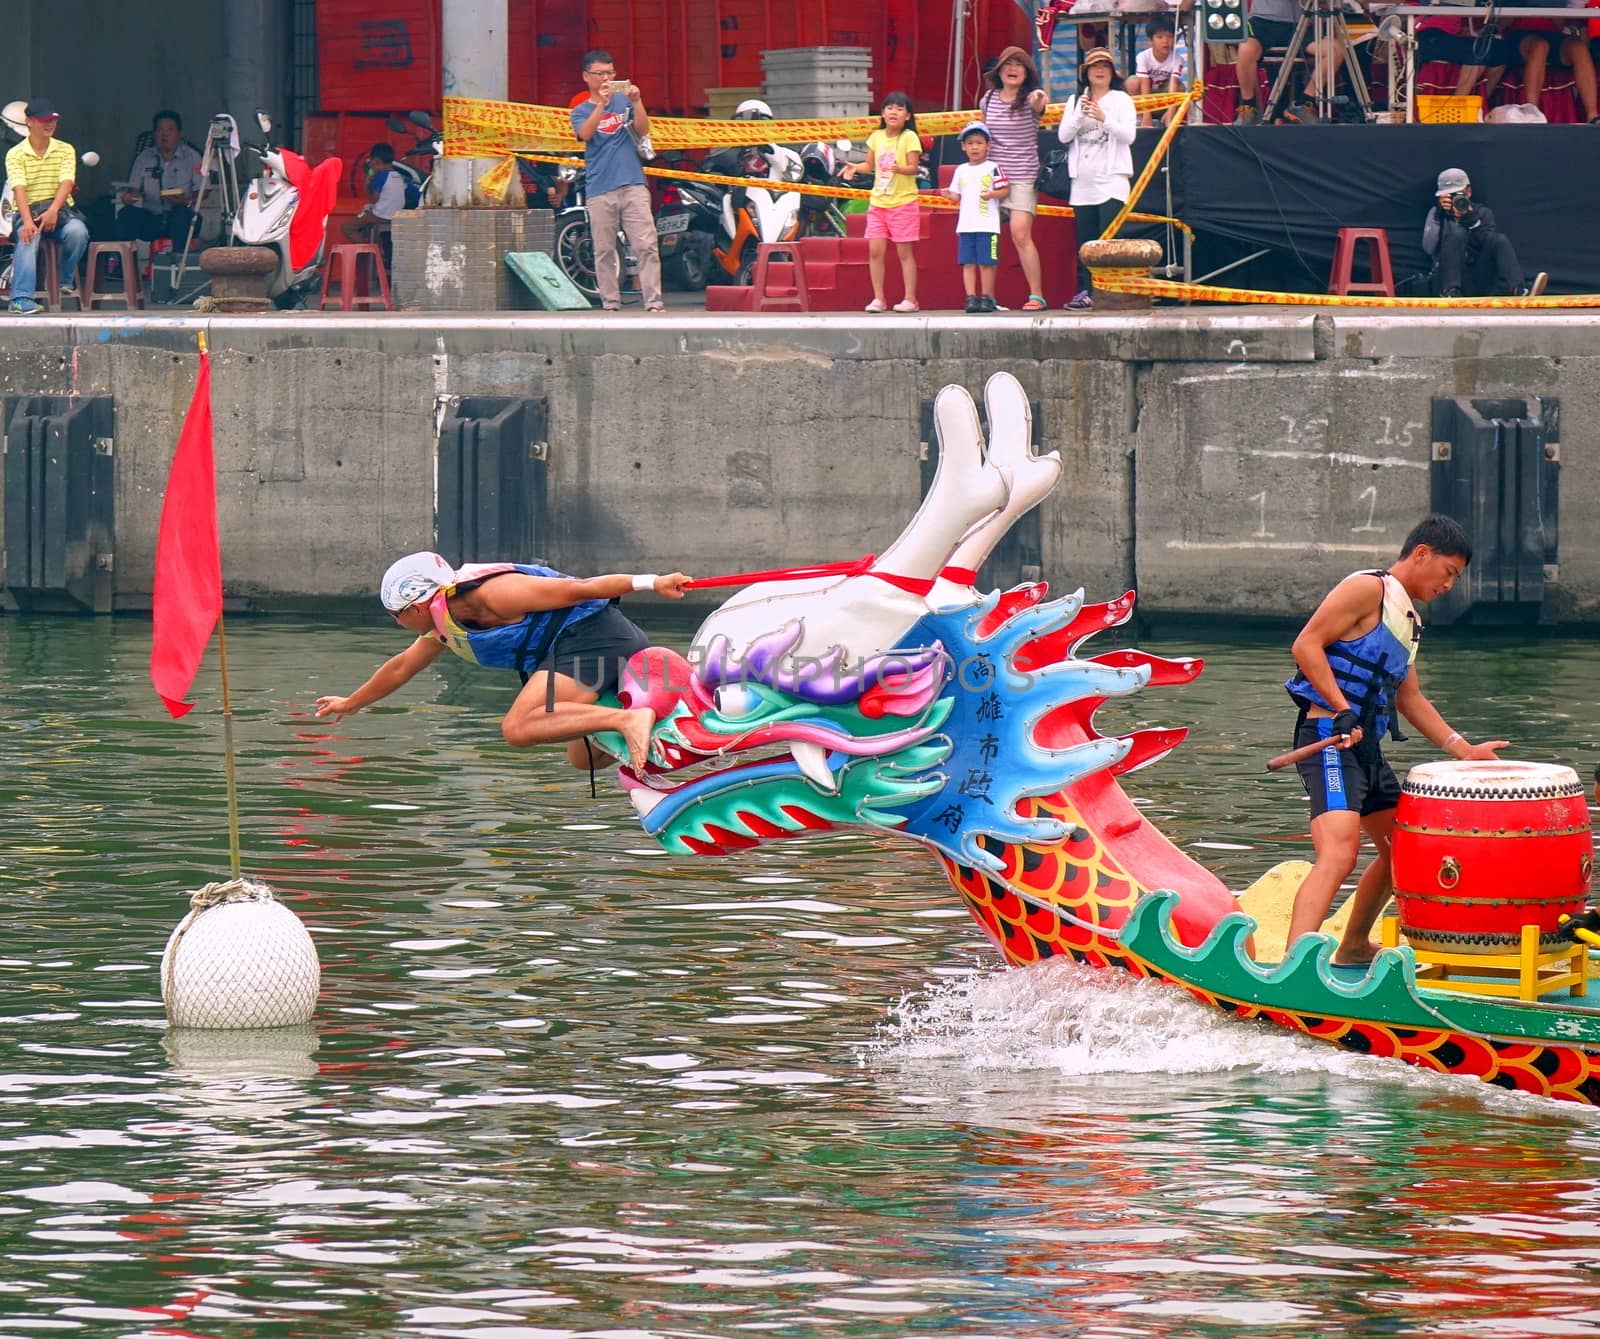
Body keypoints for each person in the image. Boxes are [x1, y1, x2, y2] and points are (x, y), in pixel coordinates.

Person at [1282, 515, 1508, 963]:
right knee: (1340, 853)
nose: (1449, 586)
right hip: (1330, 737)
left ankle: (1350, 947)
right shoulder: (1368, 588)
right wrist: (1342, 709)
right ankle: (1293, 965)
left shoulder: (1408, 620)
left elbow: (1411, 698)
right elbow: (1306, 645)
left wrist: (1463, 750)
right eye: (1450, 573)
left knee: (1401, 853)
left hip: (1365, 748)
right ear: (1422, 553)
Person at [313, 553, 693, 773]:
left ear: (415, 606)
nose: (396, 623)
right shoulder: (443, 624)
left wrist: (653, 582)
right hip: (575, 651)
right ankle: (659, 723)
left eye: (395, 615)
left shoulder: (496, 594)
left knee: (518, 727)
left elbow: (579, 589)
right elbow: (402, 666)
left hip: (597, 639)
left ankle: (628, 718)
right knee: (584, 758)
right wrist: (351, 703)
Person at [570, 49, 665, 313]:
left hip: (633, 183)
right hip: (600, 188)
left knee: (646, 245)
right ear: (586, 76)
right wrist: (601, 104)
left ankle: (654, 302)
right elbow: (586, 134)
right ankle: (610, 303)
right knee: (604, 250)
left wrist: (636, 101)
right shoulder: (579, 110)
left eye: (610, 73)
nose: (605, 79)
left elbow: (643, 129)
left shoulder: (624, 102)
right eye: (600, 74)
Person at [1056, 49, 1136, 312]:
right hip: (1083, 183)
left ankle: (1111, 293)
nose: (1099, 71)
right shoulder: (1075, 100)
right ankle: (1086, 292)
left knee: (1109, 240)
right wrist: (1080, 113)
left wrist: (1104, 118)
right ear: (1085, 72)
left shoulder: (1121, 99)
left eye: (1105, 66)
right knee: (1086, 243)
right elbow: (1064, 136)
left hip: (1111, 179)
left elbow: (1129, 136)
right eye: (1094, 67)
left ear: (1112, 72)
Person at [977, 45, 1049, 311]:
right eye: (1008, 64)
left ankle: (1037, 295)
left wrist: (1040, 97)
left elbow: (1040, 102)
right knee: (988, 236)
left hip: (1022, 176)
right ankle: (987, 297)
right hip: (993, 176)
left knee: (1020, 234)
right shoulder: (988, 99)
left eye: (1018, 64)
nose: (1012, 68)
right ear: (999, 70)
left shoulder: (1031, 98)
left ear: (1026, 72)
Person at [4, 98, 90, 315]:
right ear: (29, 122)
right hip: (28, 211)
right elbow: (19, 189)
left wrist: (52, 211)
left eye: (53, 120)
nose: (49, 125)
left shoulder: (65, 149)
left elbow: (67, 183)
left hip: (59, 211)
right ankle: (21, 298)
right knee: (28, 235)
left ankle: (63, 280)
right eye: (43, 120)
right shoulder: (15, 154)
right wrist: (28, 222)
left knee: (78, 232)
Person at [841, 92, 923, 314]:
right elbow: (870, 165)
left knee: (904, 252)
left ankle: (910, 299)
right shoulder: (876, 136)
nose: (893, 112)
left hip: (903, 202)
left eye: (899, 108)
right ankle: (879, 299)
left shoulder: (909, 137)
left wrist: (899, 168)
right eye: (889, 108)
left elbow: (914, 168)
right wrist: (855, 167)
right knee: (875, 251)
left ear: (907, 116)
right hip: (878, 202)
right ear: (883, 113)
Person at [1422, 168, 1547, 298]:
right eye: (1450, 195)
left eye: (1458, 194)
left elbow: (1489, 243)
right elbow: (1428, 248)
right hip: (1447, 276)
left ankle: (1520, 290)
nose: (1455, 199)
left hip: (1479, 276)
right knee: (1456, 232)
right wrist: (1438, 215)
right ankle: (1451, 292)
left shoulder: (1482, 213)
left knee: (1499, 239)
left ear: (1468, 192)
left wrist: (1470, 220)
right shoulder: (1436, 214)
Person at [1233, 0, 1347, 124]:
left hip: (1302, 22)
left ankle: (1303, 103)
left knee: (1335, 50)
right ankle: (1248, 106)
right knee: (1246, 50)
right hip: (1262, 21)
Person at [944, 122, 1009, 313]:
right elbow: (957, 195)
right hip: (966, 225)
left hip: (988, 225)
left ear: (988, 146)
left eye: (979, 142)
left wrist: (991, 195)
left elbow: (1005, 189)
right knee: (968, 262)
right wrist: (949, 195)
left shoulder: (994, 167)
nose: (974, 147)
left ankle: (987, 297)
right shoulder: (961, 170)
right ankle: (971, 297)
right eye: (970, 143)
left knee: (987, 263)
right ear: (963, 146)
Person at [115, 109, 202, 248]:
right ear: (154, 134)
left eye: (170, 129)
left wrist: (186, 201)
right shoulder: (144, 158)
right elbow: (134, 191)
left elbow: (203, 190)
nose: (165, 134)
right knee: (126, 215)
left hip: (181, 215)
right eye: (160, 130)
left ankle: (177, 265)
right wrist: (130, 198)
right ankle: (123, 265)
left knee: (182, 216)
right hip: (152, 217)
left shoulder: (192, 157)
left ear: (179, 134)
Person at [342, 143, 416, 267]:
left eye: (371, 162)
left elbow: (374, 200)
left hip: (381, 215)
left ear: (376, 162)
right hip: (395, 215)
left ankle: (371, 253)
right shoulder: (399, 176)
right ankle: (375, 248)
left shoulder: (380, 177)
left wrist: (367, 184)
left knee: (347, 227)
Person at [1127, 17, 1188, 127]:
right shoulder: (1143, 57)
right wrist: (1146, 113)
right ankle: (1138, 115)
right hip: (1146, 93)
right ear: (1150, 40)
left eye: (1169, 37)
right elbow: (1144, 83)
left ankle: (1166, 116)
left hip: (1163, 94)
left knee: (1181, 88)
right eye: (1159, 37)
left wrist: (1171, 110)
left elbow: (1173, 84)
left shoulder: (1177, 59)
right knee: (1132, 83)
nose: (1165, 41)